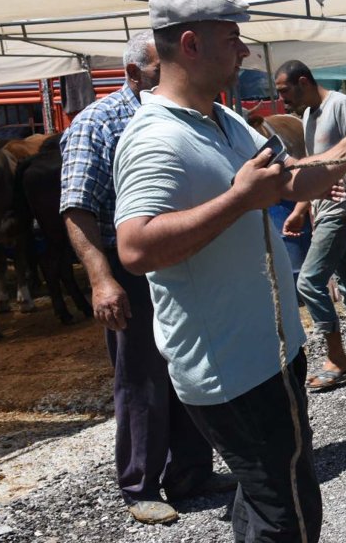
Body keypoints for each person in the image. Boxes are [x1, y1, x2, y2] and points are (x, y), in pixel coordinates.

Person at [112, 0, 346, 543]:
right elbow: (136, 247)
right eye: (233, 38)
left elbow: (289, 179)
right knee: (287, 514)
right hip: (231, 369)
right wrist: (239, 199)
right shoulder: (156, 137)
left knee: (266, 496)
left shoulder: (223, 121)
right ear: (192, 44)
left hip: (268, 352)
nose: (245, 52)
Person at [60, 30, 234, 525]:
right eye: (163, 66)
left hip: (180, 257)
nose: (177, 72)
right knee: (141, 378)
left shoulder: (184, 112)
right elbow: (77, 209)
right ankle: (140, 485)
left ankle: (193, 471)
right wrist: (101, 280)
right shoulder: (97, 122)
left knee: (190, 363)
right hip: (130, 266)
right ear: (134, 73)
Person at [273, 59, 346, 391]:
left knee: (308, 283)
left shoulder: (342, 105)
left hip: (341, 207)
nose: (282, 100)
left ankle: (336, 358)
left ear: (303, 81)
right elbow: (317, 168)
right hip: (321, 208)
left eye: (284, 91)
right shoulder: (307, 116)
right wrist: (299, 208)